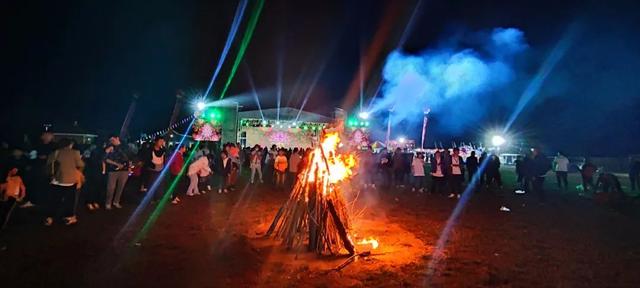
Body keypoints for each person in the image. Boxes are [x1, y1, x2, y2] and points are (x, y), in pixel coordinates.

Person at [45, 138, 84, 226]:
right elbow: (80, 164)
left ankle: (50, 217)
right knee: (69, 201)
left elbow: (48, 164)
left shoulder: (55, 152)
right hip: (70, 181)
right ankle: (69, 217)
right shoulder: (75, 152)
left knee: (54, 200)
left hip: (56, 180)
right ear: (69, 145)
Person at [21, 132, 55, 208]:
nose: (43, 136)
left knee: (43, 185)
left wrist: (46, 157)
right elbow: (33, 156)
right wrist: (30, 159)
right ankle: (33, 201)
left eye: (46, 135)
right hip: (36, 168)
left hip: (45, 169)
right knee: (34, 185)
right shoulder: (38, 145)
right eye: (43, 135)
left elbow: (53, 157)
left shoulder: (53, 146)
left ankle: (40, 201)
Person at [104, 136, 129, 210]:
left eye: (113, 139)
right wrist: (116, 164)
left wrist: (129, 166)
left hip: (124, 170)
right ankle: (108, 203)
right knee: (111, 188)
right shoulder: (109, 147)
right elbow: (105, 159)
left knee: (120, 187)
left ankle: (116, 201)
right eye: (110, 140)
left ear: (117, 138)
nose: (112, 141)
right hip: (112, 170)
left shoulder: (125, 146)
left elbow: (129, 157)